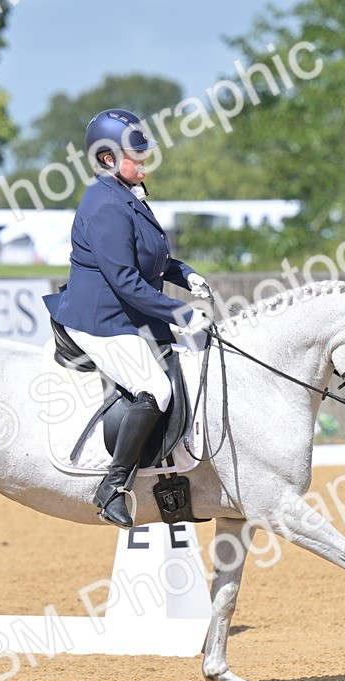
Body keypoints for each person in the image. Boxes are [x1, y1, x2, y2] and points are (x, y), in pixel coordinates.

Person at [43, 108, 213, 527]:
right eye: (136, 154)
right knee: (155, 389)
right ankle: (113, 486)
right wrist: (179, 311)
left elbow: (151, 259)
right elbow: (123, 279)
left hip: (128, 314)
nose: (144, 161)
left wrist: (185, 274)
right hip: (100, 320)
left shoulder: (126, 195)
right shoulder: (104, 205)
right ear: (106, 158)